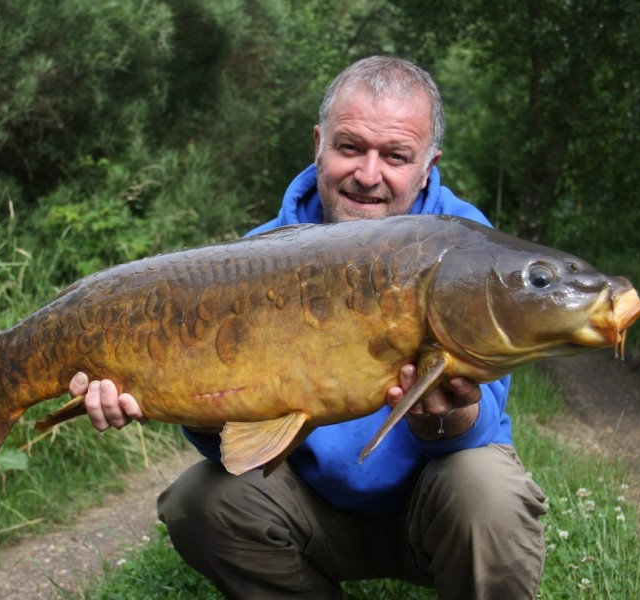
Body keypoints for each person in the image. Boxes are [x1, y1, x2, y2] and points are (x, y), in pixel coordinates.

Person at [69, 56, 547, 599]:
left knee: (487, 490)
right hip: (315, 511)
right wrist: (177, 406)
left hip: (432, 506)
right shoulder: (256, 258)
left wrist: (449, 413)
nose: (368, 175)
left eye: (394, 156)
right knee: (199, 501)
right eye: (349, 147)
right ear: (318, 143)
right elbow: (238, 451)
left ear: (427, 166)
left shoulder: (467, 248)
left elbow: (481, 430)